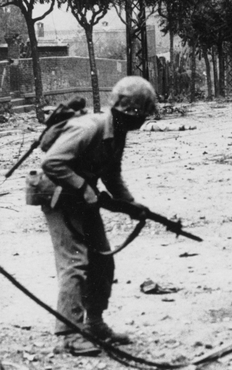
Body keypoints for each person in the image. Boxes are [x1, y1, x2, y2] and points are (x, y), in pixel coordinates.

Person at [38, 76, 156, 356]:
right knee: (75, 262)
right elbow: (52, 163)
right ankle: (68, 333)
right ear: (129, 112)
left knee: (102, 258)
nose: (142, 122)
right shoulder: (89, 127)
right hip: (59, 196)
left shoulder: (117, 133)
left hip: (82, 197)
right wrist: (83, 187)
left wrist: (130, 205)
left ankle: (94, 324)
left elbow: (112, 175)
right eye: (141, 115)